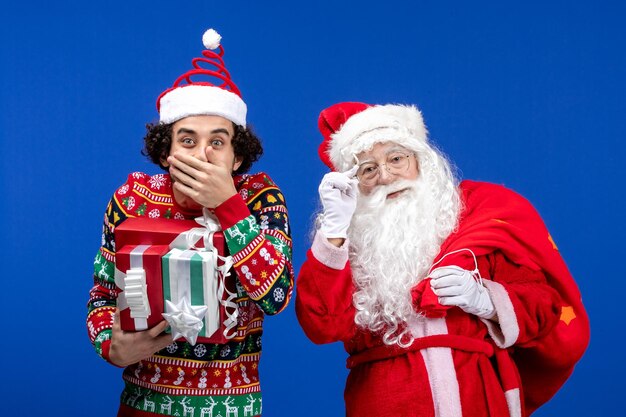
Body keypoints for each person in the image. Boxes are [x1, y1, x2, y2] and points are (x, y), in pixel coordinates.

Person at [296, 102, 589, 417]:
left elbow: (543, 304)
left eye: (396, 158)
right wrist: (335, 230)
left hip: (477, 396)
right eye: (368, 169)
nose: (385, 176)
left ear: (422, 160)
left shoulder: (479, 217)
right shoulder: (346, 242)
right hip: (384, 400)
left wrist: (487, 300)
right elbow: (320, 325)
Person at [87, 29, 293, 417]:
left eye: (217, 142)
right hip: (144, 404)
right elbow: (102, 295)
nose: (202, 154)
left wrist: (229, 206)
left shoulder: (260, 198)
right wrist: (109, 345)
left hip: (231, 406)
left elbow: (276, 297)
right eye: (187, 140)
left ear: (236, 157)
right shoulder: (131, 199)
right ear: (166, 151)